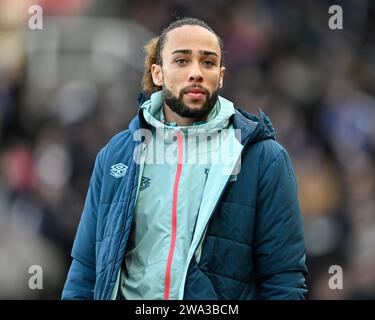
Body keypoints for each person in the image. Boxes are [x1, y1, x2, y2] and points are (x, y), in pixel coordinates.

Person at [62, 17, 307, 300]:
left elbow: (283, 278)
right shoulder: (116, 155)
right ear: (157, 73)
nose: (196, 73)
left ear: (221, 75)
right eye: (181, 61)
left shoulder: (264, 158)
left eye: (208, 62)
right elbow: (85, 269)